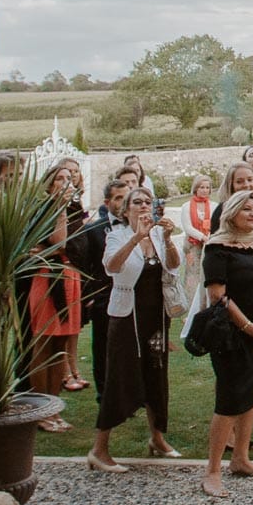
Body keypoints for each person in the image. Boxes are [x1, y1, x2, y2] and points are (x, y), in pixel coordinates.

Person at [90, 186, 184, 470]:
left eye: (148, 202)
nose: (144, 206)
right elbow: (112, 267)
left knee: (156, 375)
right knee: (121, 377)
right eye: (138, 202)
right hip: (126, 316)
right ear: (126, 209)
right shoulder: (116, 235)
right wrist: (135, 239)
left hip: (155, 316)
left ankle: (157, 438)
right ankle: (99, 449)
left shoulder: (158, 234)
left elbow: (174, 265)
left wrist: (167, 239)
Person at [198, 189, 253, 498]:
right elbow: (218, 294)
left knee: (252, 393)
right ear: (231, 212)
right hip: (232, 332)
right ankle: (212, 470)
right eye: (246, 208)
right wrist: (247, 326)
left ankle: (241, 458)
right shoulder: (218, 247)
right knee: (230, 398)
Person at [27, 161, 82, 430]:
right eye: (60, 179)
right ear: (50, 185)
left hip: (70, 276)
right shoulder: (45, 210)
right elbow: (60, 241)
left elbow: (78, 246)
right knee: (44, 344)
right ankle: (42, 412)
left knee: (61, 347)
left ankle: (55, 409)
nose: (66, 182)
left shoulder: (74, 210)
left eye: (68, 178)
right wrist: (60, 206)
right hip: (48, 279)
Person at [72, 178, 129, 396]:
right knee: (103, 347)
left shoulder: (136, 227)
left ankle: (129, 393)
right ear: (107, 202)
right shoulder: (94, 230)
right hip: (104, 295)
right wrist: (91, 296)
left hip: (130, 294)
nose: (123, 203)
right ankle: (104, 394)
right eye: (118, 198)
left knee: (127, 346)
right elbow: (86, 265)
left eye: (126, 197)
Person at [180, 173, 218, 302]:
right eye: (201, 187)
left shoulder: (214, 206)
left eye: (207, 187)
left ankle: (206, 302)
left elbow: (216, 223)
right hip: (193, 244)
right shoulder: (186, 206)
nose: (204, 190)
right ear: (196, 188)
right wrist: (202, 237)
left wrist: (209, 237)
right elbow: (187, 227)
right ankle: (191, 305)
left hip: (209, 243)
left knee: (207, 274)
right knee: (193, 275)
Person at [211, 162, 253, 232]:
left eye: (250, 180)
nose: (246, 185)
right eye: (239, 182)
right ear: (231, 185)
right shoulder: (222, 210)